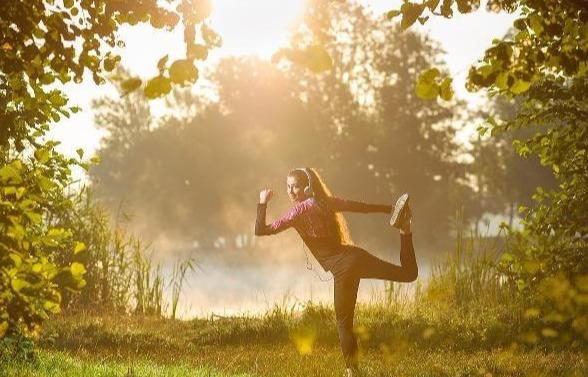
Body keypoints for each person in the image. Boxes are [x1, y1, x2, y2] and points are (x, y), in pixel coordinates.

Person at [255, 167, 417, 376]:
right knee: (408, 274)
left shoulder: (298, 212)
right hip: (356, 258)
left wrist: (262, 202)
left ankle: (352, 371)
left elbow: (261, 230)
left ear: (307, 187)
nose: (291, 191)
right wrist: (392, 209)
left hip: (344, 269)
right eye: (288, 187)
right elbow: (363, 208)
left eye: (295, 186)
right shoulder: (327, 202)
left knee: (343, 322)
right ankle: (405, 229)